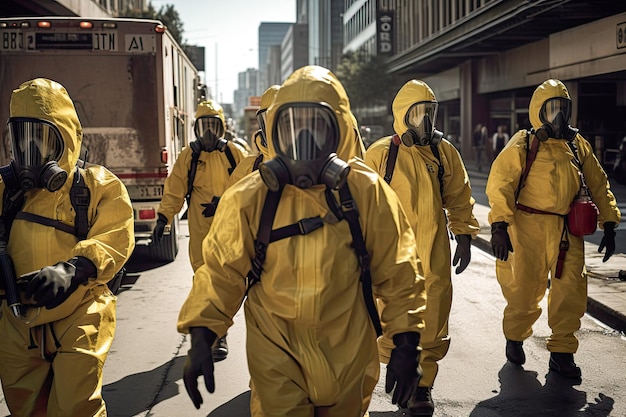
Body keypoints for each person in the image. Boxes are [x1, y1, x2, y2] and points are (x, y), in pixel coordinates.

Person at [177, 65, 426, 416]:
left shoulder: (367, 193)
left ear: (338, 131)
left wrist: (407, 341)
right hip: (277, 356)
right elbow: (221, 272)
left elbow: (400, 271)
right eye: (293, 127)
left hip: (349, 354)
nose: (304, 141)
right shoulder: (251, 197)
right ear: (275, 132)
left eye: (317, 127)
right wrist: (203, 333)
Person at [0, 78, 135, 416]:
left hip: (80, 310)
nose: (31, 151)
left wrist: (74, 270)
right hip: (17, 321)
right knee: (24, 408)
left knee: (76, 407)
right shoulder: (4, 190)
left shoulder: (97, 186)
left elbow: (116, 236)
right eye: (22, 139)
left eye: (43, 139)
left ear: (66, 138)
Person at [486, 79, 621, 380]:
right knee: (523, 289)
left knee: (571, 291)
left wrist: (609, 222)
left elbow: (598, 182)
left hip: (566, 230)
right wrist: (499, 225)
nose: (558, 116)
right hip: (527, 227)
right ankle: (515, 336)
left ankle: (562, 354)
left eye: (563, 109)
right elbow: (501, 183)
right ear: (539, 111)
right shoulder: (524, 143)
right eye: (552, 109)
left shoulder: (577, 145)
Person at [365, 79, 480, 417]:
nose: (424, 123)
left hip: (433, 251)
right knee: (383, 311)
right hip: (389, 253)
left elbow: (459, 196)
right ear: (402, 116)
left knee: (433, 317)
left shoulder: (444, 153)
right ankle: (392, 363)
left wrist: (466, 235)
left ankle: (422, 387)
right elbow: (360, 203)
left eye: (429, 114)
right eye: (417, 114)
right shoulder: (381, 153)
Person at [153, 98, 248, 361]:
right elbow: (175, 190)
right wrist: (163, 218)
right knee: (205, 284)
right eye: (204, 126)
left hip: (229, 234)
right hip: (201, 236)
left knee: (226, 286)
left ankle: (218, 334)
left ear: (222, 128)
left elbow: (249, 186)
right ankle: (214, 337)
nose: (208, 133)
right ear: (196, 128)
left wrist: (224, 203)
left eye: (213, 126)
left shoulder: (234, 154)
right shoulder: (189, 156)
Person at [226, 84, 280, 188]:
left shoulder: (306, 168)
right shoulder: (246, 169)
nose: (273, 130)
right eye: (268, 121)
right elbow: (232, 202)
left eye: (280, 121)